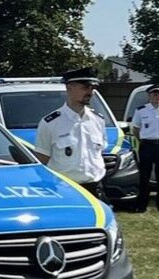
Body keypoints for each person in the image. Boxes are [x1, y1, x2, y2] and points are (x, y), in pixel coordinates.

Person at [33, 68, 108, 200]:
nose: (90, 92)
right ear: (69, 88)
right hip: (65, 190)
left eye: (93, 88)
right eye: (85, 87)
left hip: (96, 189)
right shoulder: (50, 123)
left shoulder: (98, 120)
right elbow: (41, 161)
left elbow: (99, 154)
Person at [131, 83, 159, 212]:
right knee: (144, 176)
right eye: (155, 94)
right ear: (149, 95)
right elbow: (135, 129)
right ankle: (141, 205)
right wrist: (143, 140)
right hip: (147, 145)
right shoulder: (141, 110)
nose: (157, 97)